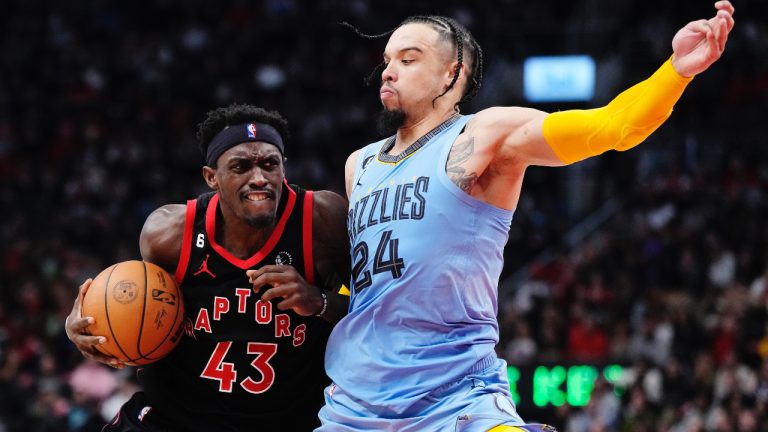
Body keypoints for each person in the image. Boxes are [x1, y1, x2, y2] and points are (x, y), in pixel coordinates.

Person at [319, 2, 735, 431]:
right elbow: (370, 283)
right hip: (358, 405)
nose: (388, 71)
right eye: (387, 60)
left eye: (408, 59)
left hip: (456, 396)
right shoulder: (360, 165)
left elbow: (614, 126)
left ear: (451, 73)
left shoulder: (486, 134)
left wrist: (676, 71)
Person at [65, 103, 350, 431]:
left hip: (288, 420)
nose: (259, 178)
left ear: (283, 167)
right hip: (176, 418)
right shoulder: (169, 234)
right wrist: (90, 327)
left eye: (270, 164)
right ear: (211, 177)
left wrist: (319, 301)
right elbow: (135, 308)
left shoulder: (322, 220)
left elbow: (378, 313)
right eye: (240, 166)